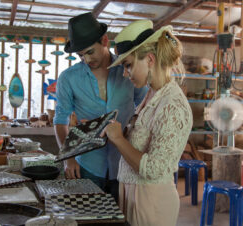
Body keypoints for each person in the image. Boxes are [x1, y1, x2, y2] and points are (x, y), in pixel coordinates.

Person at [101, 20, 193, 226]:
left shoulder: (173, 106)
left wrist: (118, 139)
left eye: (128, 65)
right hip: (134, 196)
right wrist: (115, 134)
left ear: (150, 59)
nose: (125, 74)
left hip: (152, 204)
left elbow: (153, 169)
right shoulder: (152, 95)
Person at [54, 13, 148, 201]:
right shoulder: (68, 78)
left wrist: (131, 130)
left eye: (90, 52)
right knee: (88, 217)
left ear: (104, 41)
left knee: (123, 219)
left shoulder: (128, 70)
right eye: (81, 55)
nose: (87, 60)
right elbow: (60, 120)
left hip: (125, 163)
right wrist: (69, 157)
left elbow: (144, 104)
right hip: (87, 165)